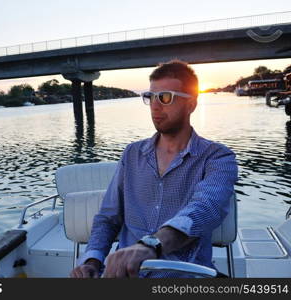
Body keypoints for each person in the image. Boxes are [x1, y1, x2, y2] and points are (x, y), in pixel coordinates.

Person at [70, 60, 238, 278]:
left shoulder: (217, 157)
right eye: (150, 97)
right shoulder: (132, 154)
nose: (155, 106)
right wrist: (92, 261)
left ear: (191, 105)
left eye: (165, 97)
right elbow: (108, 218)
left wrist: (151, 246)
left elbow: (205, 208)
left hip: (183, 275)